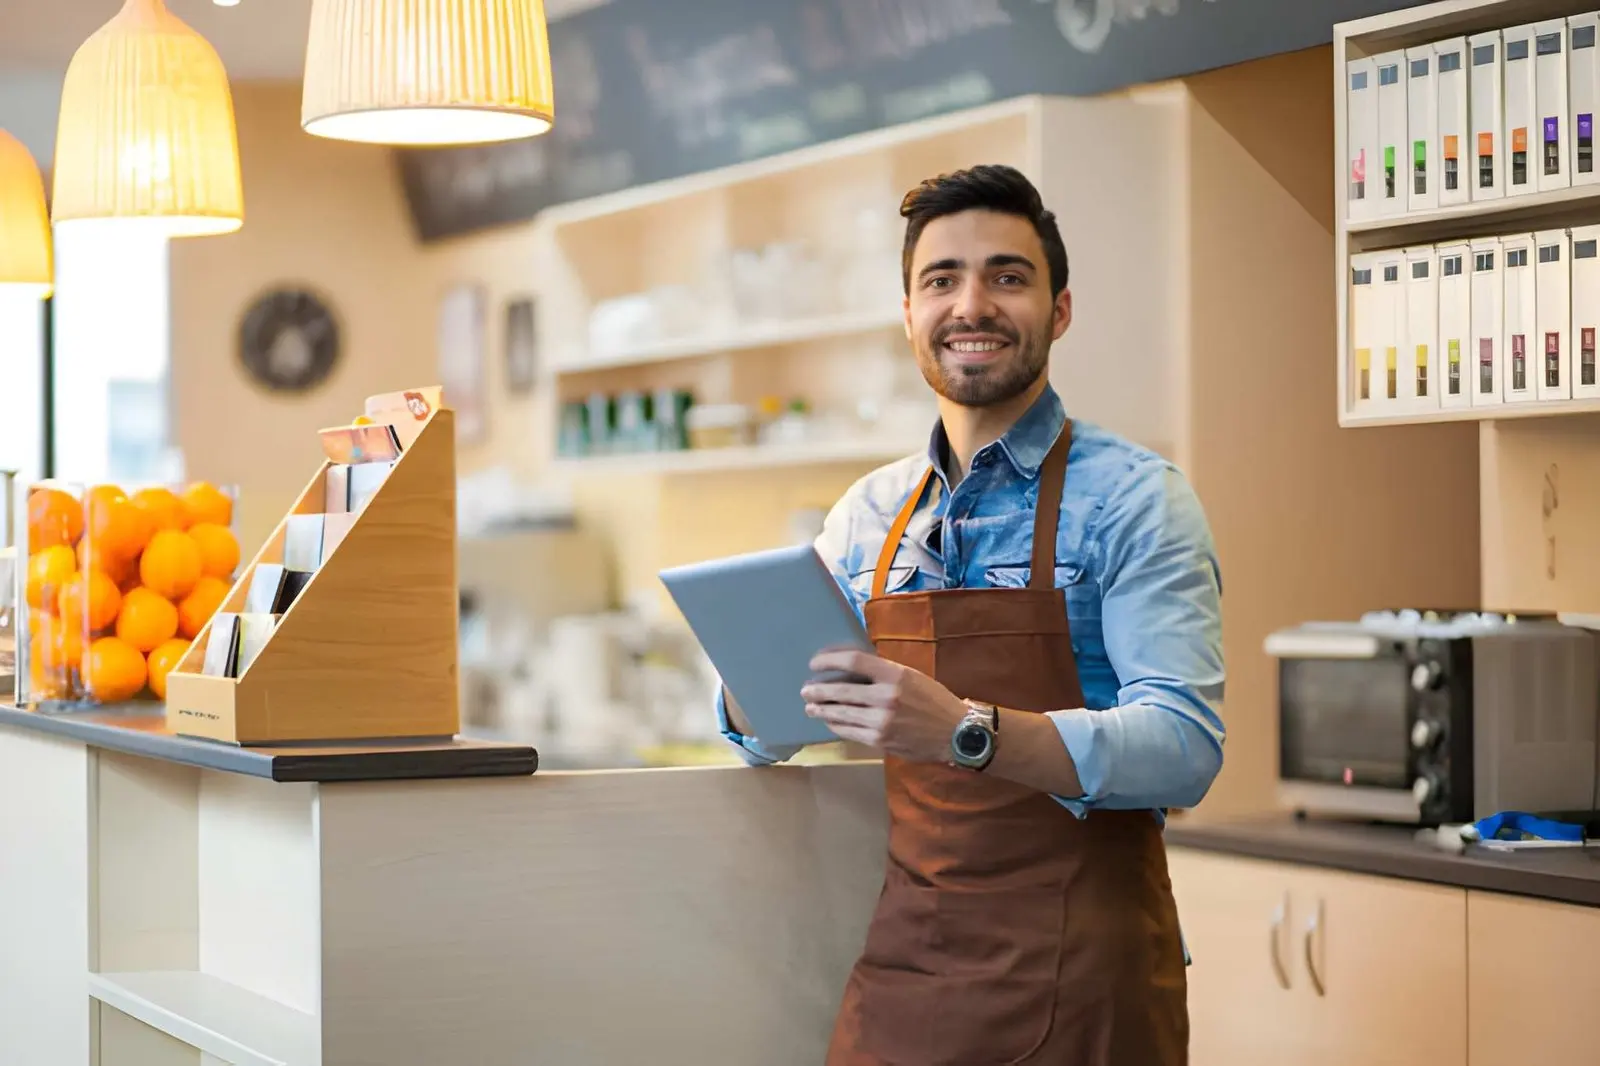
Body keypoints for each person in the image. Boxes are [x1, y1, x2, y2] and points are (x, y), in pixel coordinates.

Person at [716, 163, 1224, 1066]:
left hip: (1087, 987)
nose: (972, 304)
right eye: (941, 280)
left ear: (1060, 310)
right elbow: (766, 734)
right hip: (910, 976)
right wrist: (753, 698)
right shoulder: (870, 515)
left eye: (1008, 276)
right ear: (908, 313)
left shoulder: (1136, 500)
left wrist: (963, 730)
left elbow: (1185, 748)